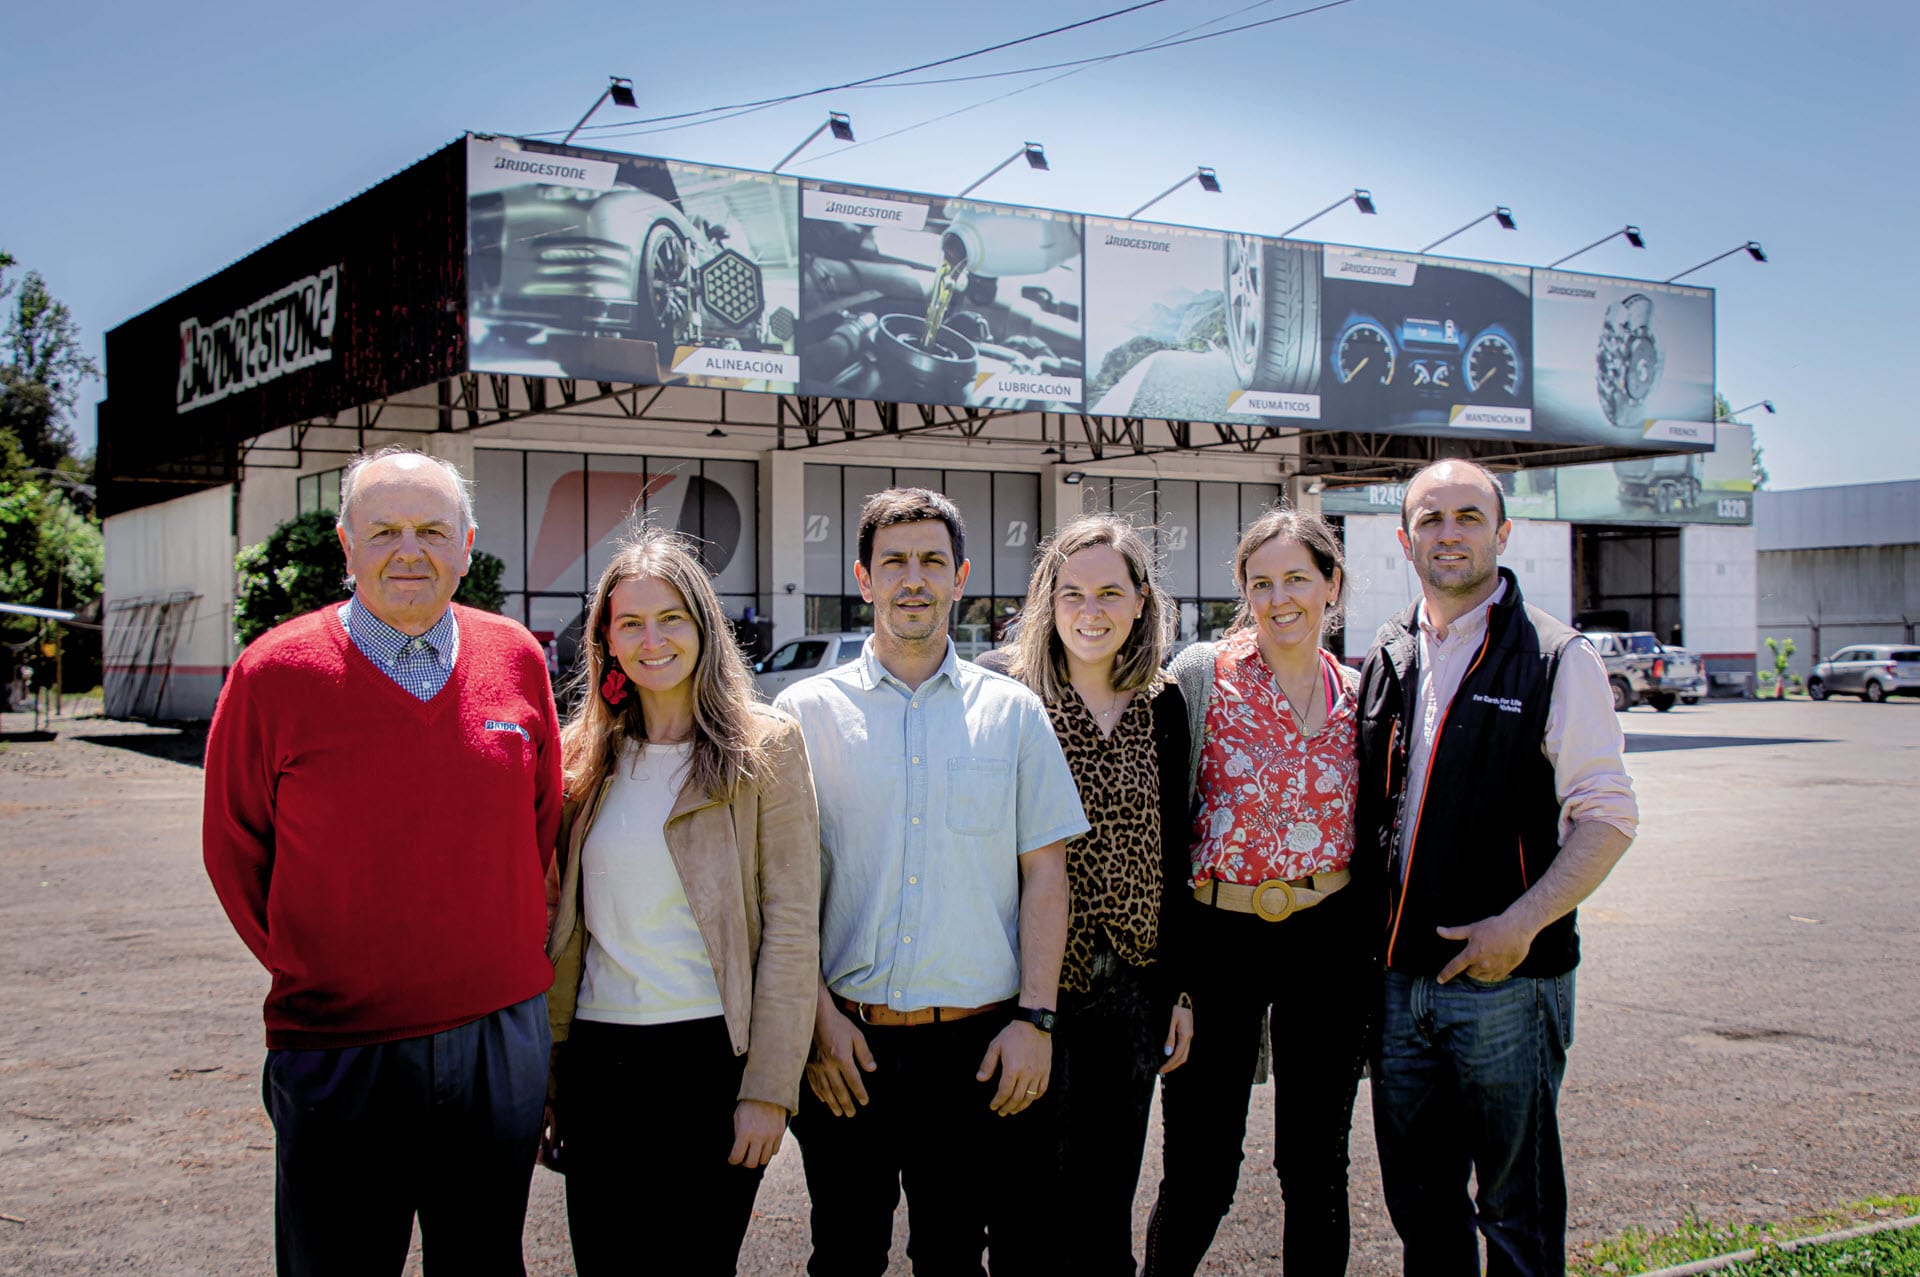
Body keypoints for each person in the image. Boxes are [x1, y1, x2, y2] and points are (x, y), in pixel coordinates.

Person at [202, 446, 560, 1276]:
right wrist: (325, 968)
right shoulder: (273, 673)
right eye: (386, 530)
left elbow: (537, 826)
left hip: (496, 1040)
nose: (411, 550)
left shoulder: (517, 659)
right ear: (346, 543)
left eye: (433, 529)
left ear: (467, 545)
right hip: (336, 1045)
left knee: (483, 1261)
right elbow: (235, 846)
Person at [774, 487, 1089, 1277]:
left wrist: (1036, 1022)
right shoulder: (801, 713)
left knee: (952, 1255)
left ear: (961, 576)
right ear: (863, 576)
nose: (913, 579)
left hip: (977, 1049)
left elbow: (1046, 874)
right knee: (844, 1253)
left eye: (931, 561)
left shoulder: (1014, 712)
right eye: (894, 562)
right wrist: (815, 1023)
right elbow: (779, 890)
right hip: (849, 1045)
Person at [1358, 459, 1638, 1277]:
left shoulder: (1556, 656)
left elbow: (1608, 817)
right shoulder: (1389, 651)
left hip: (1508, 983)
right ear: (1405, 539)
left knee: (1517, 1212)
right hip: (1401, 987)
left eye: (1468, 516)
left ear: (1503, 533)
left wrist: (1520, 924)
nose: (1449, 533)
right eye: (1432, 518)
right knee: (1421, 1205)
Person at [542, 529, 820, 1276]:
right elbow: (557, 928)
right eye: (629, 621)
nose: (651, 639)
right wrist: (549, 1067)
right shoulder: (578, 759)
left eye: (671, 618)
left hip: (711, 1064)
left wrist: (769, 1088)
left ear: (704, 625)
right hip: (598, 1065)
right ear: (605, 638)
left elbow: (793, 930)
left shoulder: (767, 750)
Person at [1144, 508, 1373, 1277]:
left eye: (1298, 579)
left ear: (1331, 584)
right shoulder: (1203, 676)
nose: (1280, 599)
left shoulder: (1364, 695)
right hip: (1219, 945)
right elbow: (1165, 833)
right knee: (1203, 1174)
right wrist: (1171, 978)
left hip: (1327, 941)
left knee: (1316, 1170)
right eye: (1261, 582)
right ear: (1243, 590)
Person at [1003, 514, 1193, 1276]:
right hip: (1035, 985)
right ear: (1049, 604)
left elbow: (1180, 852)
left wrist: (1179, 988)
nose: (1091, 611)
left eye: (1110, 592)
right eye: (1072, 593)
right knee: (1024, 1203)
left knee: (1105, 1199)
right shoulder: (1013, 698)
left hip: (1135, 993)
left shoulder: (1168, 704)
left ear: (1142, 600)